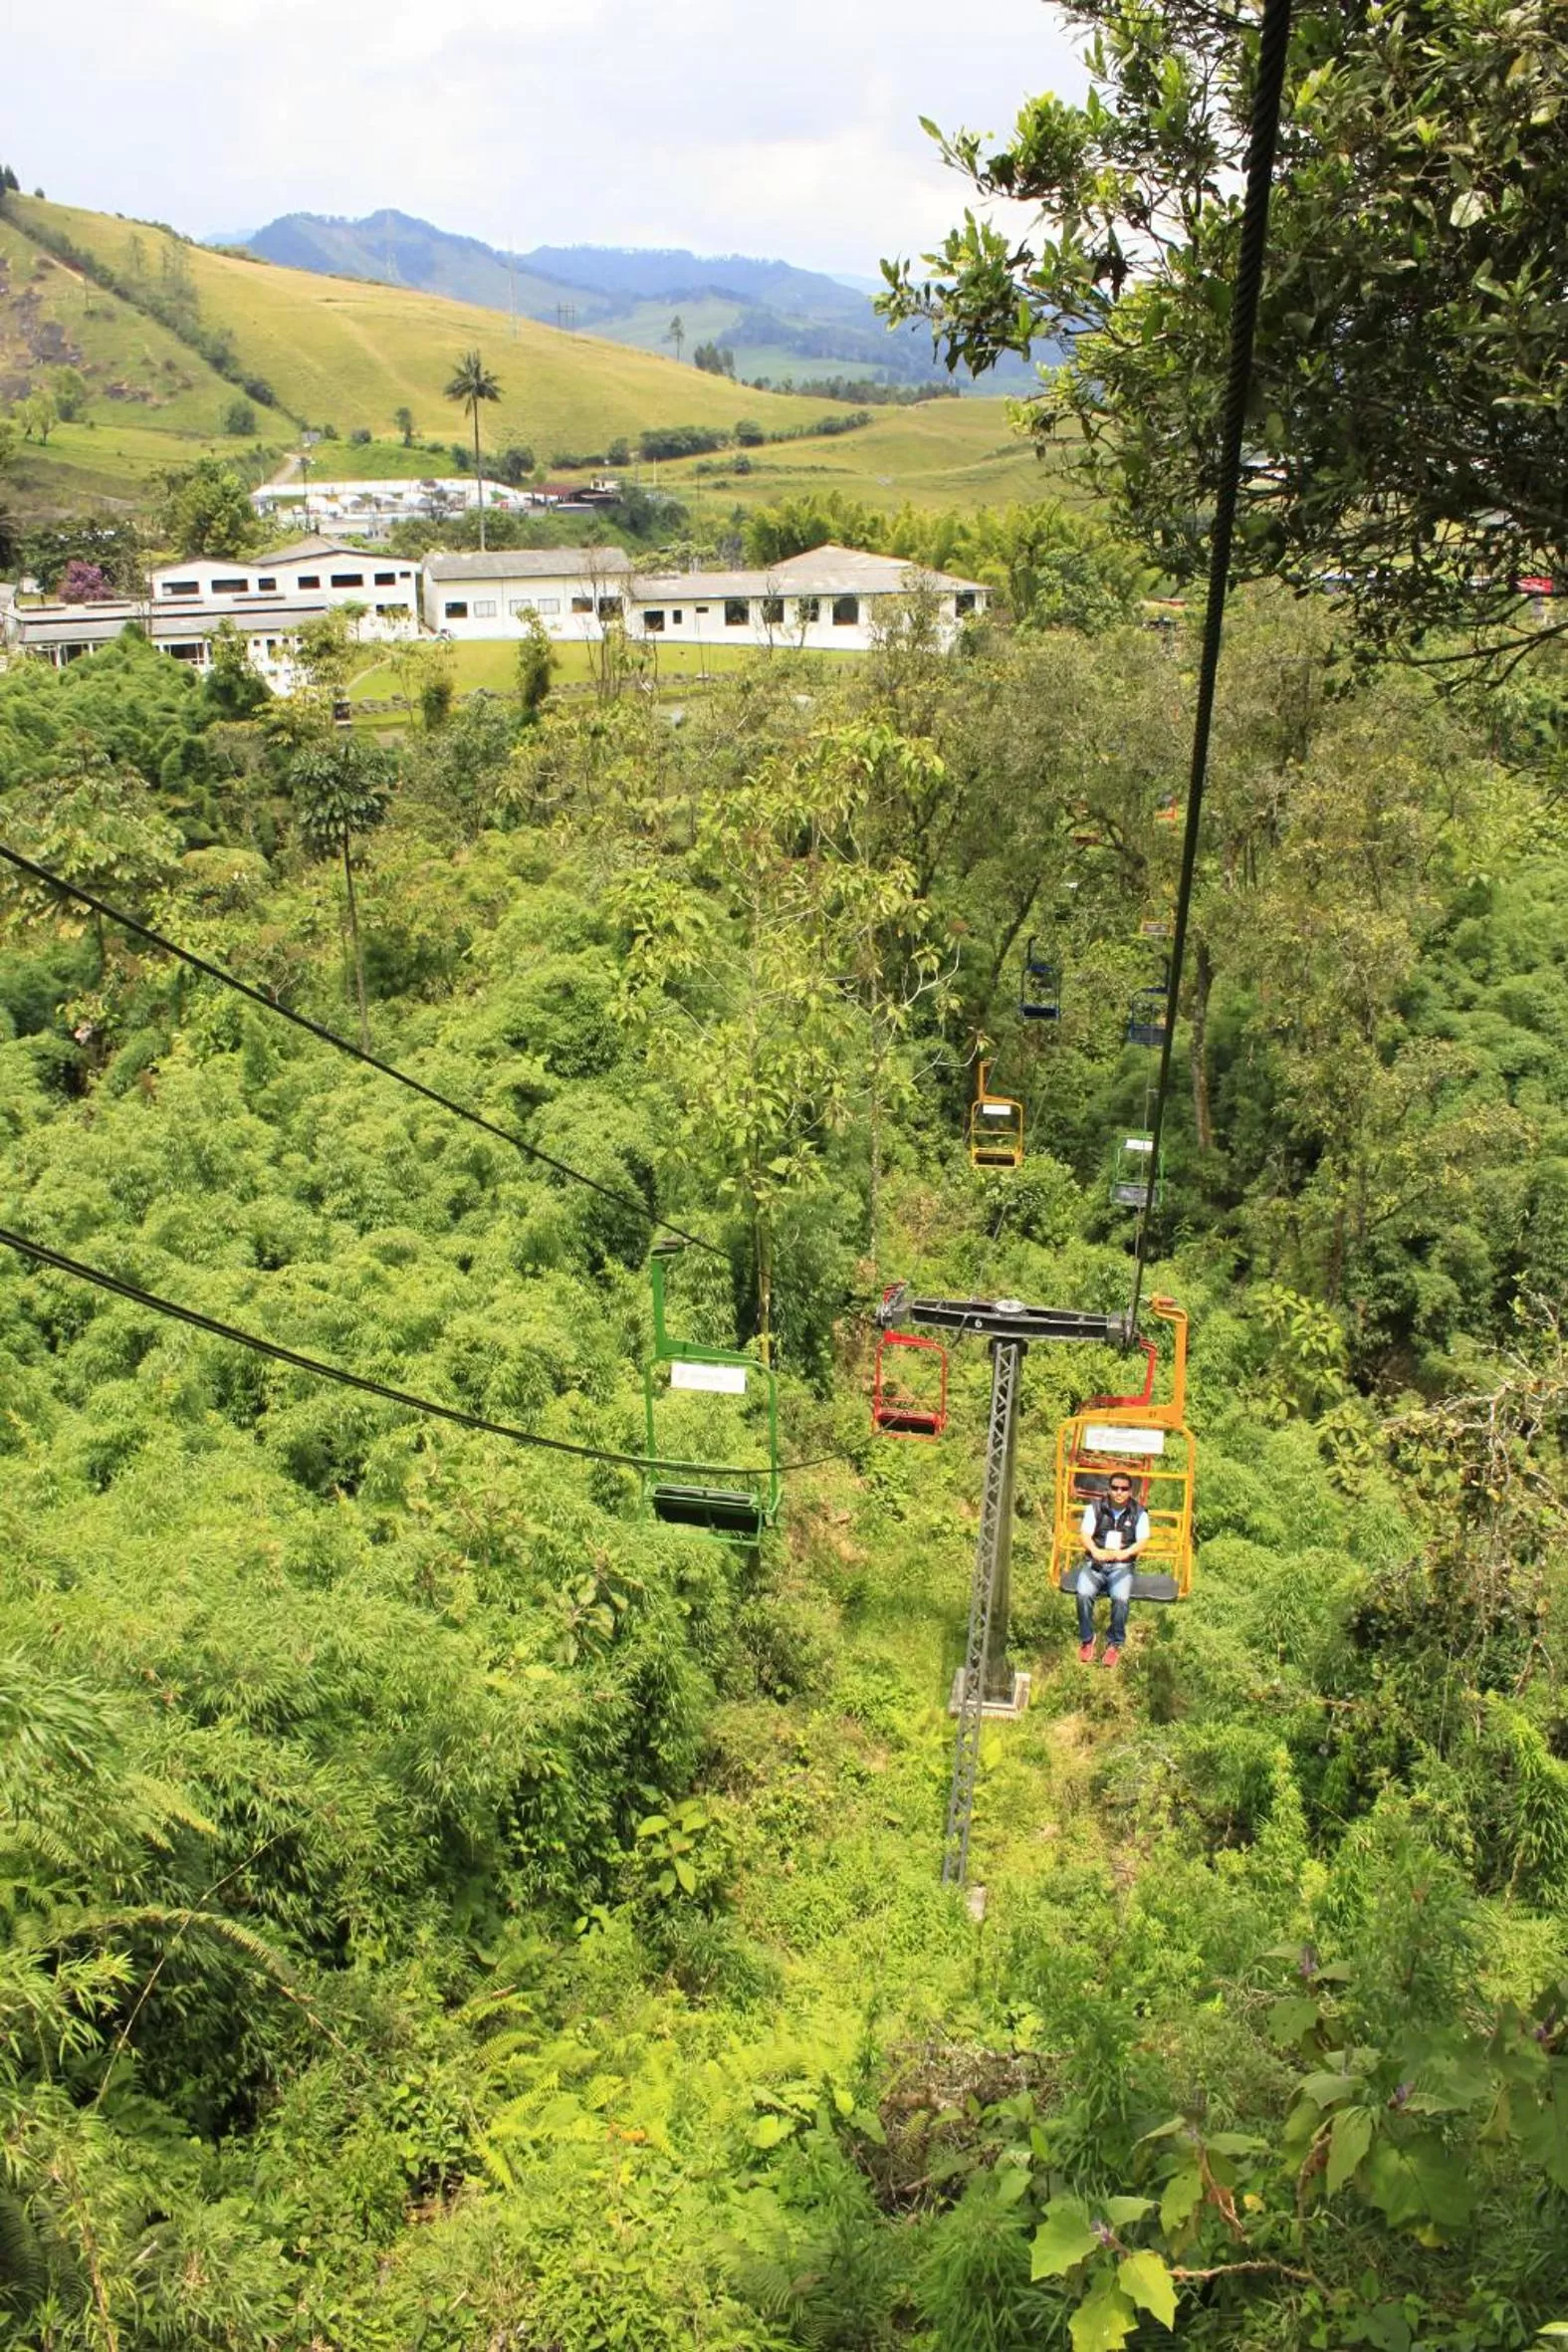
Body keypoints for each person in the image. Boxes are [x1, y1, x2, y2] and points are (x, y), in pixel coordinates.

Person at [1075, 1472, 1149, 1668]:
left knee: (1121, 1599)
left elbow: (1142, 1541)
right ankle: (1087, 1639)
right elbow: (1085, 1535)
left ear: (1130, 1491)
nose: (1119, 1492)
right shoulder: (1096, 1508)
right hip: (1096, 1563)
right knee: (1083, 1594)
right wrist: (1094, 1551)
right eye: (1115, 1488)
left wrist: (1125, 1553)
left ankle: (1114, 1643)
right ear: (1108, 1489)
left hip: (1121, 1565)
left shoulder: (1139, 1513)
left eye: (1124, 1489)